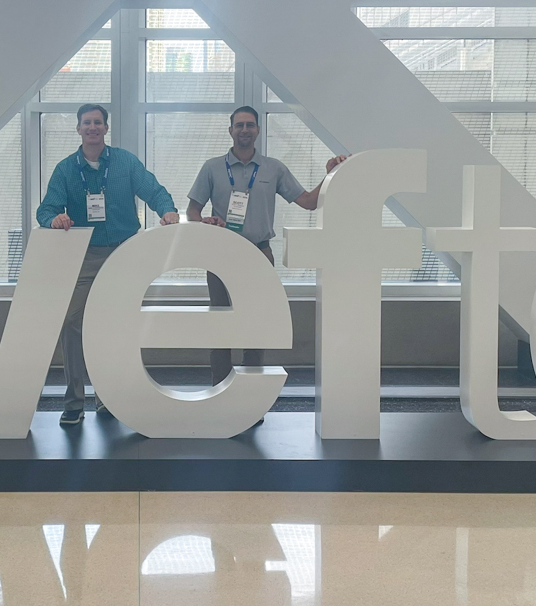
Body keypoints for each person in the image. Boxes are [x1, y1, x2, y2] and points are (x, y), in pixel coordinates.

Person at [37, 104, 180, 426]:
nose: (92, 127)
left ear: (105, 128)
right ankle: (74, 400)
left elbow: (153, 191)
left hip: (125, 253)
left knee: (116, 325)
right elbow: (45, 209)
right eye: (86, 123)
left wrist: (167, 211)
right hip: (85, 256)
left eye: (97, 122)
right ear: (78, 129)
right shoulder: (65, 169)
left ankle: (108, 397)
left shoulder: (125, 163)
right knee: (73, 322)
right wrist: (54, 219)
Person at [188, 106, 348, 390]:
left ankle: (250, 393)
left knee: (255, 324)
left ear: (258, 131)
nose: (245, 130)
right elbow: (192, 212)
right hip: (220, 256)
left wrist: (330, 174)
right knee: (220, 326)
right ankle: (219, 391)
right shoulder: (212, 168)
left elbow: (309, 202)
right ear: (231, 131)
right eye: (239, 125)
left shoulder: (273, 168)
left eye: (250, 125)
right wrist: (205, 224)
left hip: (259, 254)